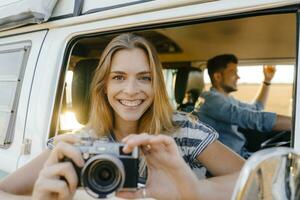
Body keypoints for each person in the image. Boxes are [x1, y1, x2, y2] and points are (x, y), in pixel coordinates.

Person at [0, 34, 244, 200]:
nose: (130, 90)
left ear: (156, 85)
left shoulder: (183, 130)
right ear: (103, 86)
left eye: (144, 77)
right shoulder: (78, 144)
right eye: (118, 77)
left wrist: (190, 190)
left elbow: (252, 178)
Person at [197, 54, 291, 159]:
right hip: (230, 160)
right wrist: (295, 123)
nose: (238, 77)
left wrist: (267, 80)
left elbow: (256, 108)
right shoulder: (212, 101)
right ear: (218, 76)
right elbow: (251, 119)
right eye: (233, 72)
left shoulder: (227, 100)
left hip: (240, 154)